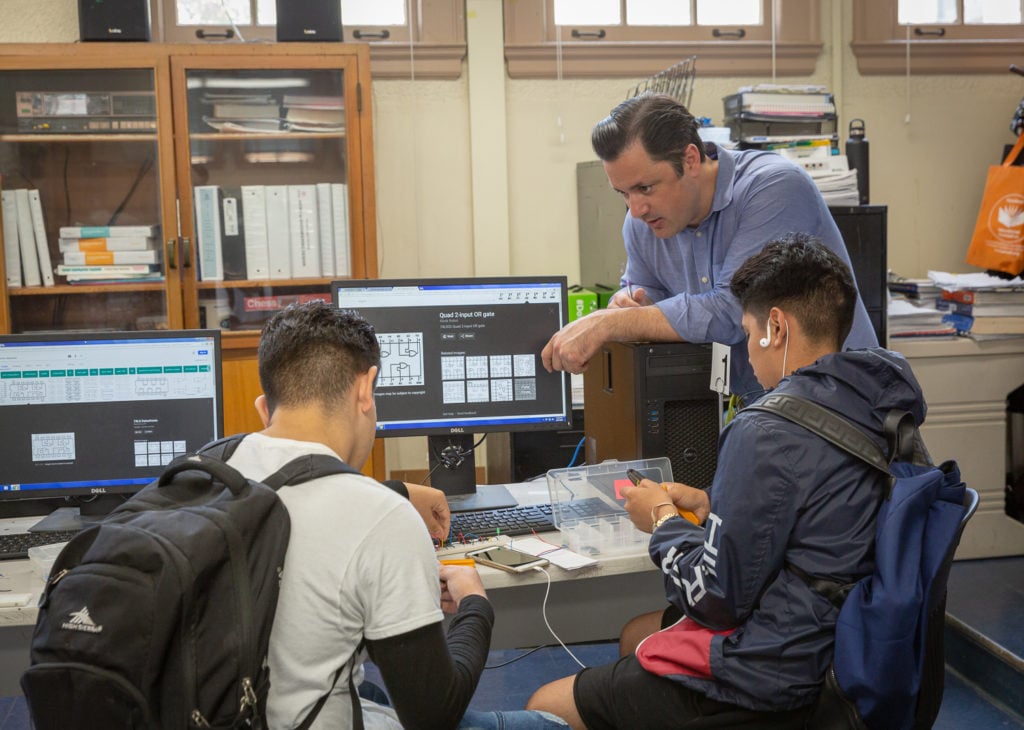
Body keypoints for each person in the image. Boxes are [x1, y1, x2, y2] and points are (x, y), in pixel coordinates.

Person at [527, 234, 927, 729]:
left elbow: (713, 600)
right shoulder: (880, 405)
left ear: (775, 327)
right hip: (852, 644)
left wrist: (662, 518)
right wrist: (716, 502)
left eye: (745, 332)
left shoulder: (768, 428)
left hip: (778, 671)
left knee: (547, 705)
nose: (745, 354)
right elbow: (820, 515)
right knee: (637, 634)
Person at [224, 301, 567, 729]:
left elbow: (291, 496)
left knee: (367, 688)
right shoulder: (381, 519)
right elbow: (434, 716)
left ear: (264, 408)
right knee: (552, 725)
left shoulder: (211, 469)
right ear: (365, 390)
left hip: (232, 709)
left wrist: (397, 491)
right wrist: (475, 605)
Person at [541, 93, 878, 403]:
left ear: (690, 159)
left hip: (838, 407)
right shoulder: (640, 225)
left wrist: (613, 323)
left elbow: (732, 313)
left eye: (646, 187)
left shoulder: (774, 187)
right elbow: (647, 305)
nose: (636, 208)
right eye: (624, 194)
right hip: (749, 413)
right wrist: (627, 308)